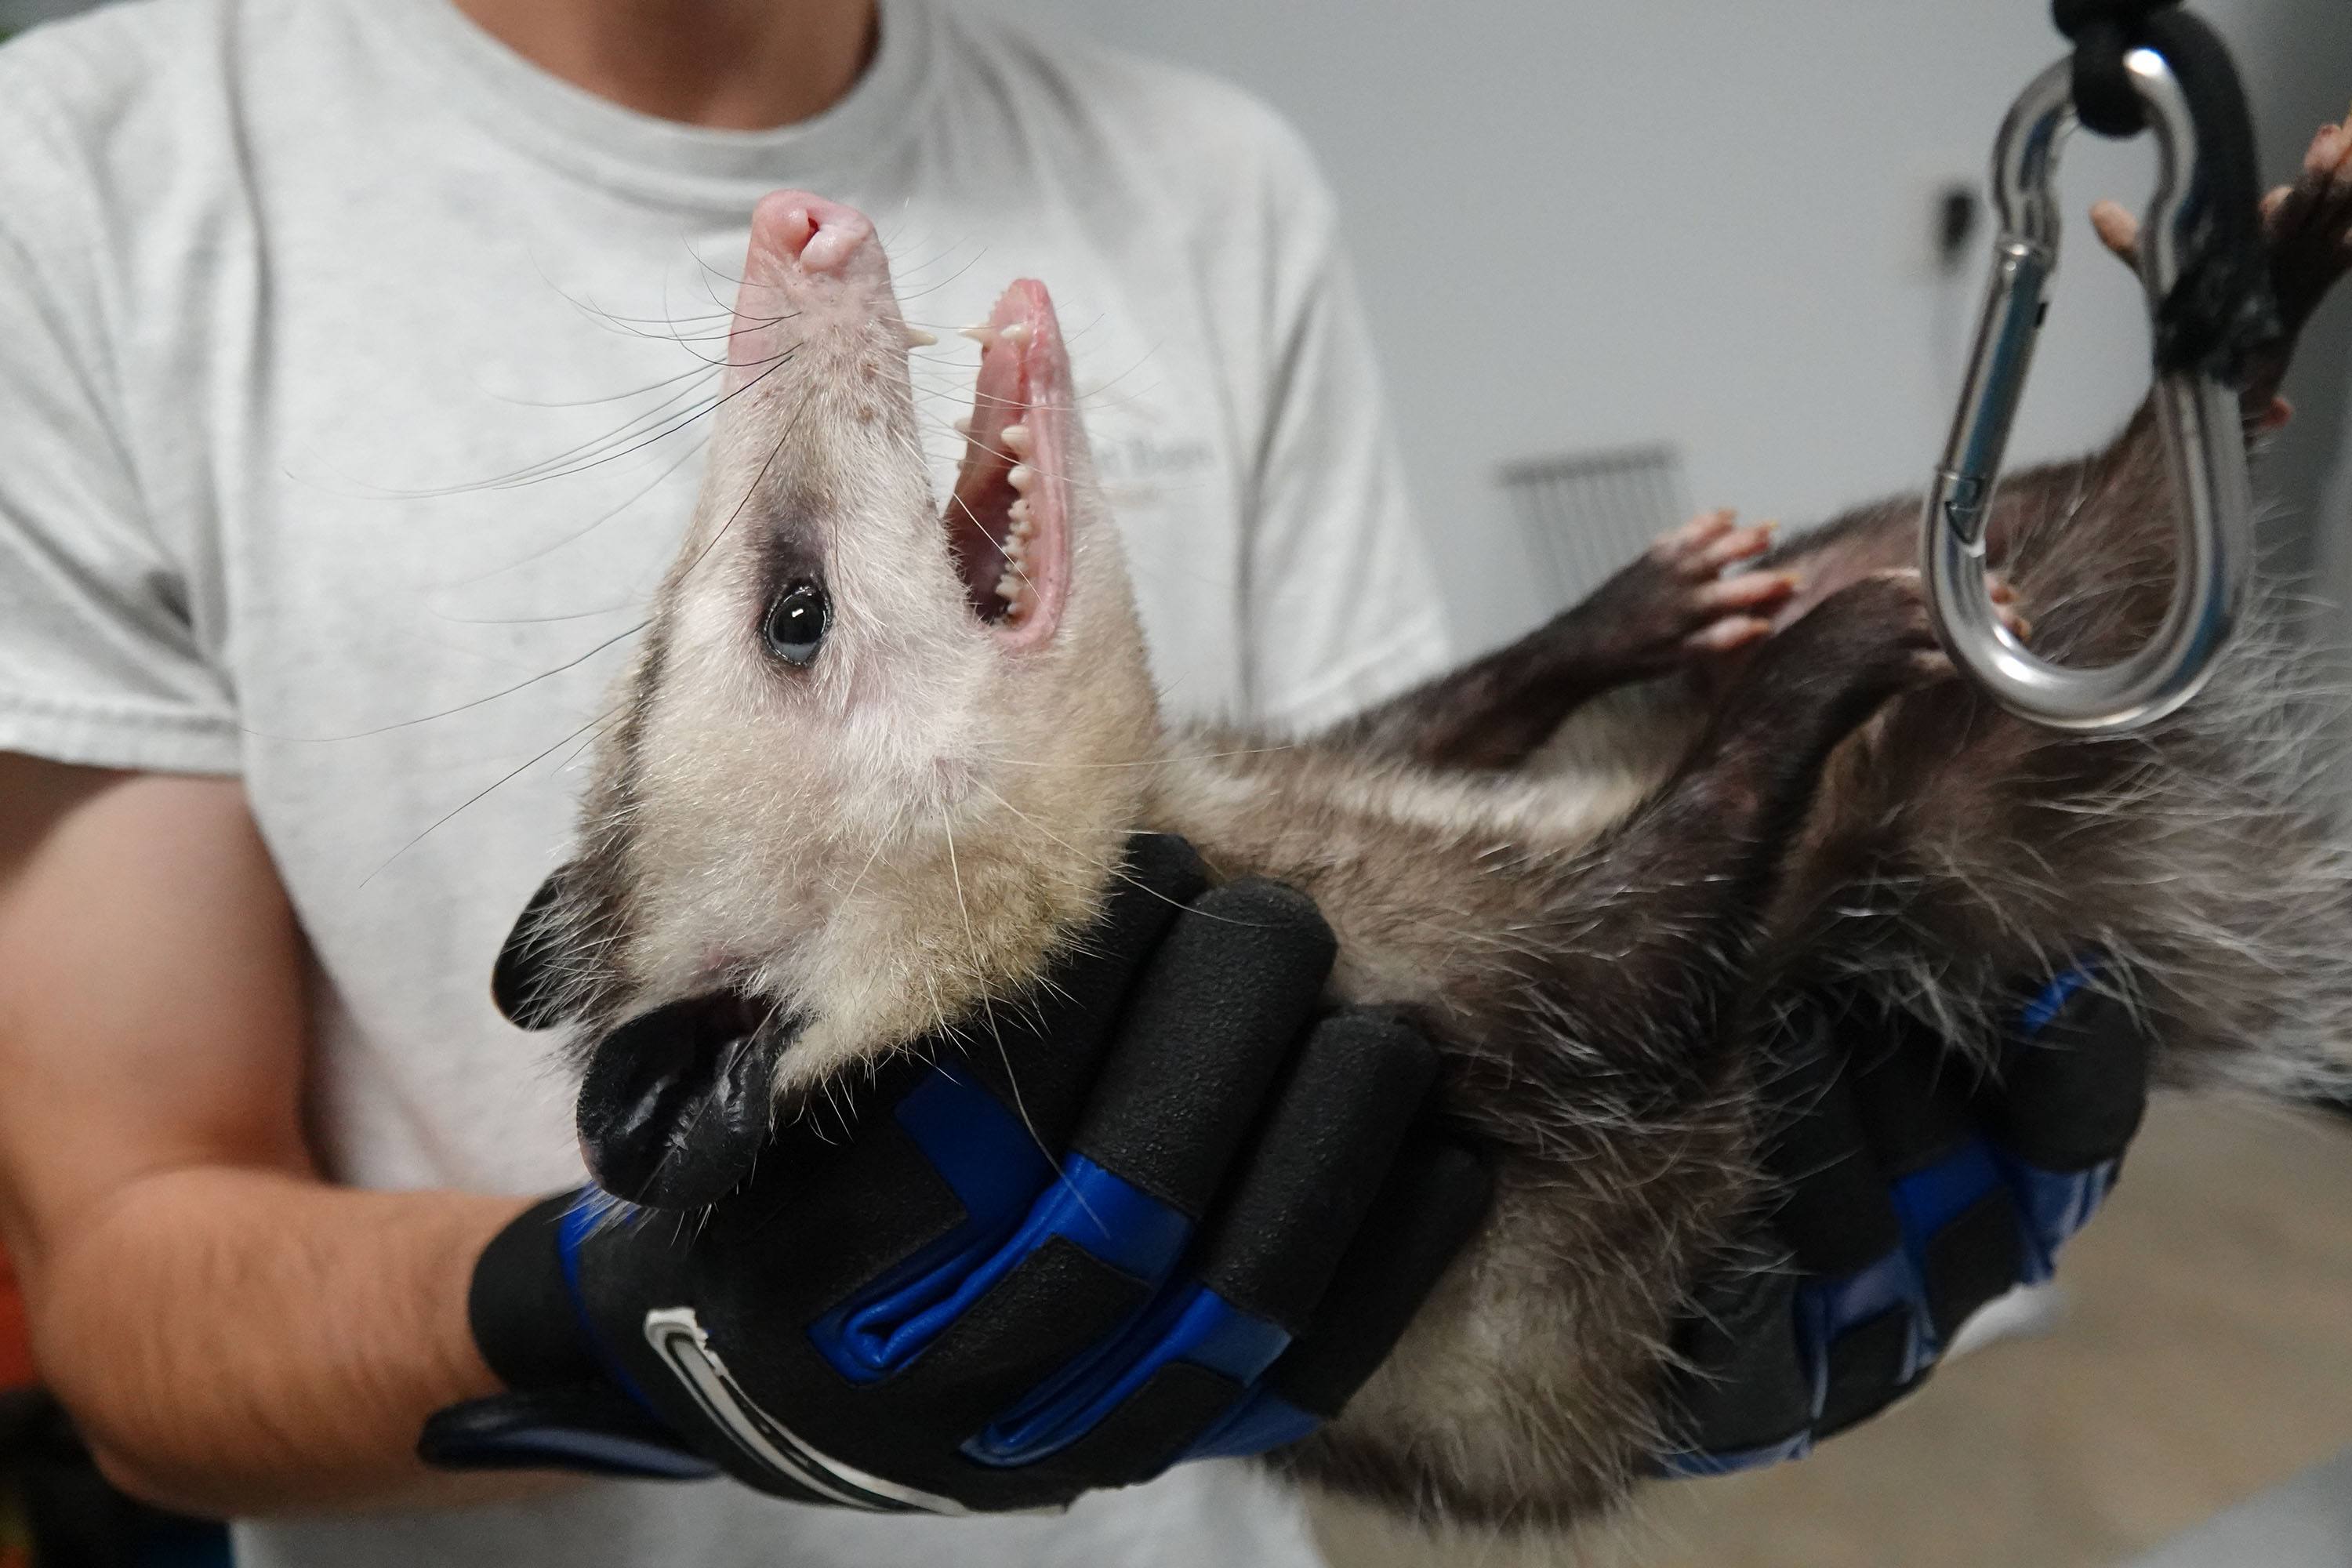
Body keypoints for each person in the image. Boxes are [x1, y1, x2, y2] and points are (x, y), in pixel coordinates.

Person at [0, 0, 2149, 1562]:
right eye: (798, 623)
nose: (804, 264)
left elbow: (1386, 870)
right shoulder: (85, 191)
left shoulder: (1212, 180)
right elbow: (120, 1312)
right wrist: (625, 1333)